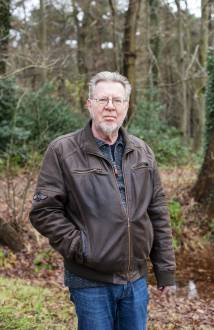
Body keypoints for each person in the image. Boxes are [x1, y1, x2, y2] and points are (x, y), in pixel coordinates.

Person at [29, 71, 176, 330]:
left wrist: (164, 270)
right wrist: (83, 246)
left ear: (126, 106)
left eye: (117, 100)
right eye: (103, 99)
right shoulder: (63, 151)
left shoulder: (142, 152)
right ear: (89, 104)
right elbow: (44, 211)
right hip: (90, 281)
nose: (110, 106)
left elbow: (158, 212)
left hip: (135, 280)